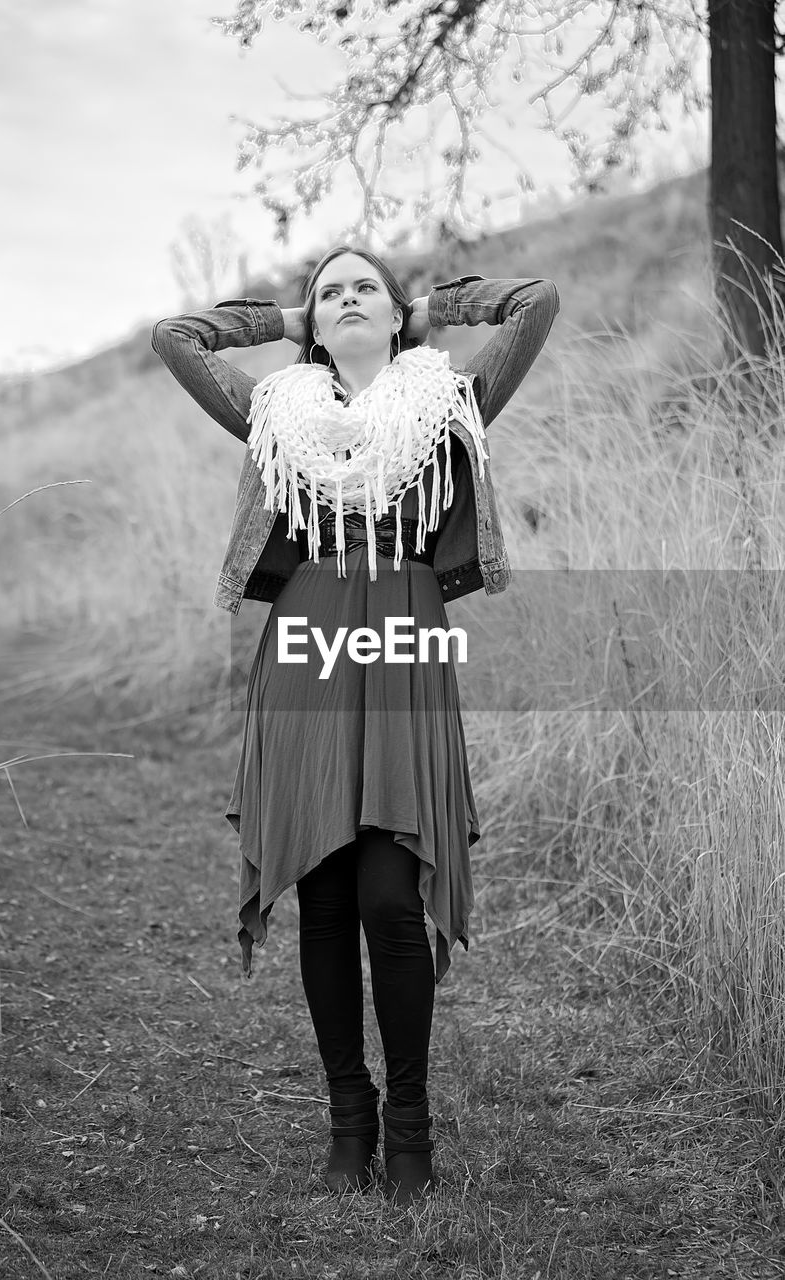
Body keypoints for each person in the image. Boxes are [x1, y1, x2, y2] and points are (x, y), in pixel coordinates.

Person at [151, 247, 560, 1206]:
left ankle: (410, 1121)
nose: (344, 300)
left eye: (361, 288)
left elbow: (535, 304)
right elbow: (177, 337)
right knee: (327, 894)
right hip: (306, 635)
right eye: (328, 290)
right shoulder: (276, 413)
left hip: (406, 638)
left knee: (388, 890)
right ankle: (351, 1118)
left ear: (393, 308)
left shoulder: (448, 398)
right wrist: (285, 325)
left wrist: (429, 308)